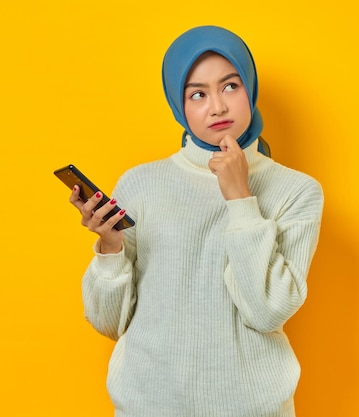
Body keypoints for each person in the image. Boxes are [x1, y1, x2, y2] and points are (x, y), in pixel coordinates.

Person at [69, 25, 323, 417]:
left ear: (249, 89)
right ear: (178, 102)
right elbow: (108, 323)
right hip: (147, 406)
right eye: (198, 94)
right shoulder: (141, 183)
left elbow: (267, 311)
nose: (218, 107)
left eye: (230, 86)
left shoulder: (297, 191)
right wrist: (110, 247)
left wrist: (241, 199)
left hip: (250, 408)